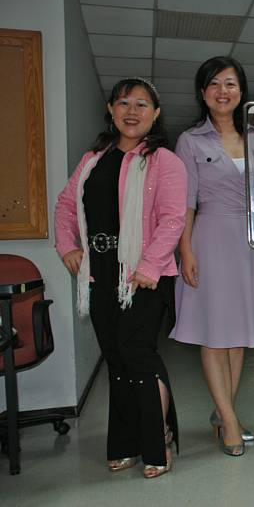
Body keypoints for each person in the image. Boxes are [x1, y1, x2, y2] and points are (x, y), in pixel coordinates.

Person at [54, 77, 187, 478]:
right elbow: (65, 206)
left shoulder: (164, 161)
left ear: (155, 114)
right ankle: (126, 442)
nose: (132, 111)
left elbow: (172, 219)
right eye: (124, 103)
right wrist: (68, 246)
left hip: (144, 274)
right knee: (115, 356)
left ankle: (157, 441)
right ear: (111, 110)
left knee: (137, 353)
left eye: (142, 104)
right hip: (99, 272)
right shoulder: (92, 159)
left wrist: (148, 266)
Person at [169, 56, 254, 457]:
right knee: (215, 333)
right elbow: (185, 202)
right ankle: (230, 421)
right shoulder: (190, 141)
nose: (223, 91)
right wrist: (185, 249)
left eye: (231, 83)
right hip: (211, 238)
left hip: (250, 240)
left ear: (241, 91)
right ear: (203, 93)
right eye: (215, 84)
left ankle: (224, 413)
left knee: (238, 336)